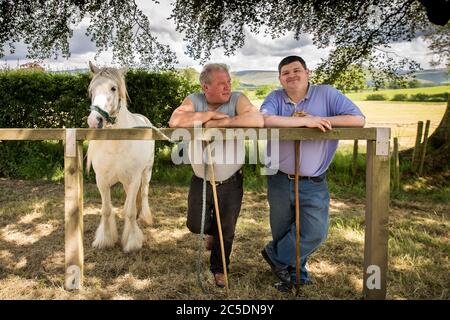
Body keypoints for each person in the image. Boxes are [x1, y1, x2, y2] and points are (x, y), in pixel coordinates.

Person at [260, 56, 365, 292]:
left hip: (314, 180)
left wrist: (319, 120)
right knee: (284, 230)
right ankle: (295, 275)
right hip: (278, 177)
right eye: (285, 73)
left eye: (297, 70)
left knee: (315, 232)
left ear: (308, 72)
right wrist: (302, 123)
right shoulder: (275, 97)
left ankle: (275, 256)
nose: (291, 75)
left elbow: (358, 120)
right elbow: (264, 120)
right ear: (280, 78)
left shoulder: (327, 94)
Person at [169, 63, 263, 288]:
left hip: (230, 180)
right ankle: (209, 232)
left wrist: (225, 122)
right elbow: (175, 121)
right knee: (195, 224)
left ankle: (220, 268)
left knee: (227, 229)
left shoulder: (238, 99)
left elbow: (257, 120)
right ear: (205, 86)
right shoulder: (194, 99)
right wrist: (210, 115)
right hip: (200, 180)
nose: (227, 86)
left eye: (229, 82)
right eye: (222, 83)